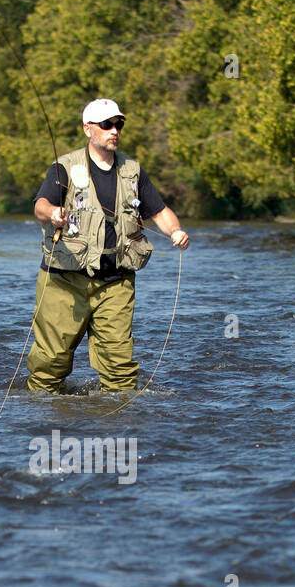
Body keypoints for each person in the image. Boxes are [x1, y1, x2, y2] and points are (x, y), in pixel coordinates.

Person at [26, 98, 190, 393]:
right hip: (64, 280)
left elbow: (160, 212)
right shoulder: (64, 167)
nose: (114, 130)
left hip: (116, 282)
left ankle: (120, 427)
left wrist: (176, 230)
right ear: (88, 129)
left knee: (120, 371)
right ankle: (42, 417)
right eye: (106, 124)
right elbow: (40, 204)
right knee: (50, 365)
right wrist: (53, 213)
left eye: (118, 124)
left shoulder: (133, 170)